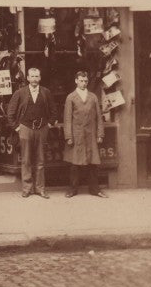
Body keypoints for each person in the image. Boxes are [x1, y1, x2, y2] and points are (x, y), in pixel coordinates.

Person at [6, 67, 56, 199]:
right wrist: (17, 128)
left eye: (36, 76)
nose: (34, 79)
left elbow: (54, 111)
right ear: (27, 78)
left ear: (40, 78)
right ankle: (27, 189)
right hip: (25, 128)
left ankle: (40, 189)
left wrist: (49, 124)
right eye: (32, 76)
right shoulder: (20, 93)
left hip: (42, 129)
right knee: (26, 160)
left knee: (40, 160)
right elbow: (10, 112)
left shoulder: (46, 92)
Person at [63, 70, 107, 198]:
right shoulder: (71, 97)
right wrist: (68, 136)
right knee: (74, 164)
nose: (83, 83)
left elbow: (99, 117)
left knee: (92, 163)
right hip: (76, 135)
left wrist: (100, 134)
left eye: (85, 81)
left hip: (90, 134)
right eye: (81, 81)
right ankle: (72, 189)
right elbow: (67, 119)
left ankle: (95, 189)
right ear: (76, 81)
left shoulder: (93, 97)